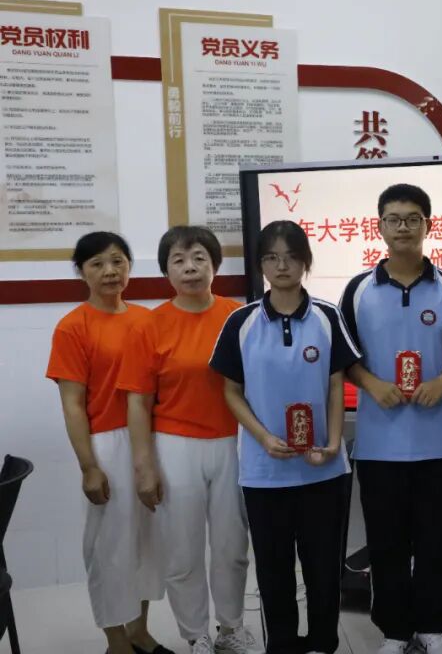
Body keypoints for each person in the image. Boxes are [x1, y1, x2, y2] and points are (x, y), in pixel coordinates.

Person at [209, 221, 359, 654]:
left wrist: (334, 442)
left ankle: (323, 643)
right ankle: (283, 644)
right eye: (272, 257)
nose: (282, 265)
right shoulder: (241, 321)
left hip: (323, 470)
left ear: (305, 261)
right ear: (261, 265)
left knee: (322, 567)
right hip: (264, 472)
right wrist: (262, 438)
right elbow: (231, 392)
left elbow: (335, 384)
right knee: (274, 570)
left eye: (291, 256)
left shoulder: (327, 316)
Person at [116, 226, 257, 654]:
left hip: (234, 443)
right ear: (166, 272)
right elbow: (138, 402)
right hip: (175, 445)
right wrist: (144, 466)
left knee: (232, 547)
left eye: (199, 258)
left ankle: (231, 629)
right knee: (183, 549)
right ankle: (196, 635)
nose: (190, 268)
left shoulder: (240, 316)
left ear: (215, 265)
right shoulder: (149, 325)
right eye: (178, 261)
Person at [338, 185, 442, 654]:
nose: (404, 227)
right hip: (378, 443)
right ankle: (394, 631)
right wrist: (371, 384)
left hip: (439, 441)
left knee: (436, 541)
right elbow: (343, 356)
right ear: (380, 227)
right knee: (386, 543)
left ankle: (433, 629)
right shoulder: (358, 290)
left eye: (413, 218)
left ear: (428, 225)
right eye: (394, 219)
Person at [45, 232, 171, 654]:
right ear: (81, 272)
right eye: (97, 264)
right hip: (107, 444)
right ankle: (116, 640)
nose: (110, 271)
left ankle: (139, 632)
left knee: (147, 544)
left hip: (151, 440)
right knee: (109, 548)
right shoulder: (73, 327)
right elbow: (72, 405)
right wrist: (89, 466)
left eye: (118, 261)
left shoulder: (147, 319)